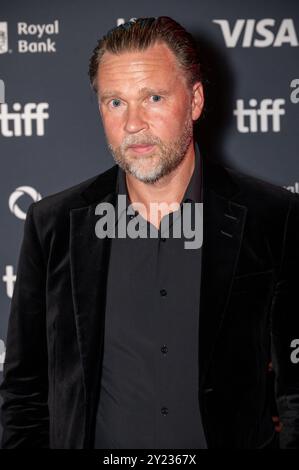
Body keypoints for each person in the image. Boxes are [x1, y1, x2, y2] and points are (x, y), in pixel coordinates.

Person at [0, 16, 299, 449]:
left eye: (153, 97)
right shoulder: (53, 226)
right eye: (115, 102)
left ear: (195, 101)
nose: (133, 123)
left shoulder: (274, 217)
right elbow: (25, 391)